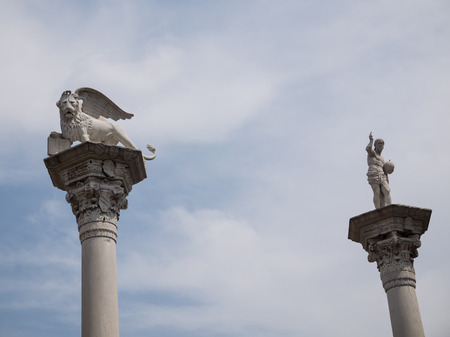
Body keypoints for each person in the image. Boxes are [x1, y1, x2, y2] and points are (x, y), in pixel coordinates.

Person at [366, 132, 391, 209]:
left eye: (382, 144)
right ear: (375, 145)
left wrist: (387, 179)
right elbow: (368, 149)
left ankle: (388, 208)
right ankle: (378, 209)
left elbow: (385, 171)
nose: (381, 145)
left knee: (387, 191)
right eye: (379, 143)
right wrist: (371, 140)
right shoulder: (372, 153)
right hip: (373, 173)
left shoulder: (382, 159)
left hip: (382, 175)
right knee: (377, 193)